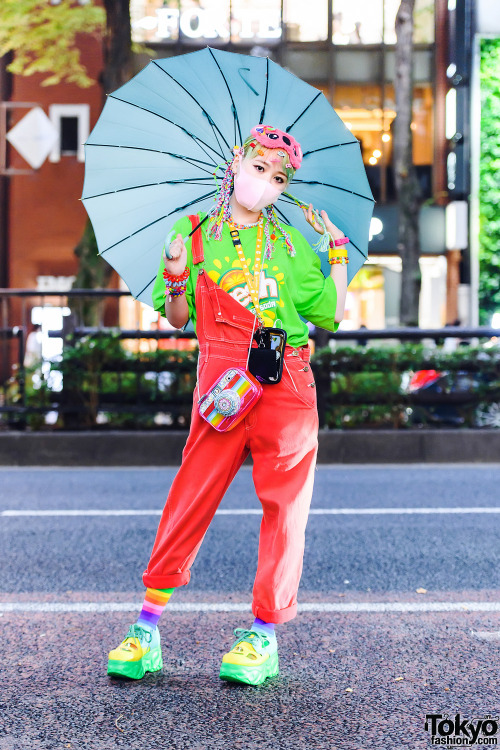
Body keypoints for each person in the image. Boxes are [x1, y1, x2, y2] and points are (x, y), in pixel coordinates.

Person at [107, 125, 349, 686]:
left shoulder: (292, 245)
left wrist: (335, 247)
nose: (265, 183)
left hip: (285, 379)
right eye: (259, 168)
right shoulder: (191, 234)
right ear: (237, 161)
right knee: (191, 494)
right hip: (222, 382)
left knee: (285, 508)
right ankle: (146, 628)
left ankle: (262, 635)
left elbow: (331, 312)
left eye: (279, 178)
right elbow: (178, 317)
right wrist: (172, 273)